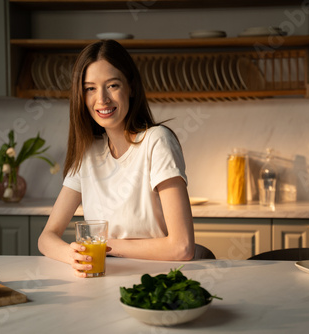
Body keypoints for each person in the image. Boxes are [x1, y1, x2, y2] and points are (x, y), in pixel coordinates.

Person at [38, 40, 195, 277]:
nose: (102, 99)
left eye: (112, 85)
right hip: (103, 278)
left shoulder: (157, 141)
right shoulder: (88, 151)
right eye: (90, 88)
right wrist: (74, 255)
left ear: (130, 87)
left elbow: (182, 247)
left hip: (157, 281)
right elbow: (46, 238)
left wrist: (105, 246)